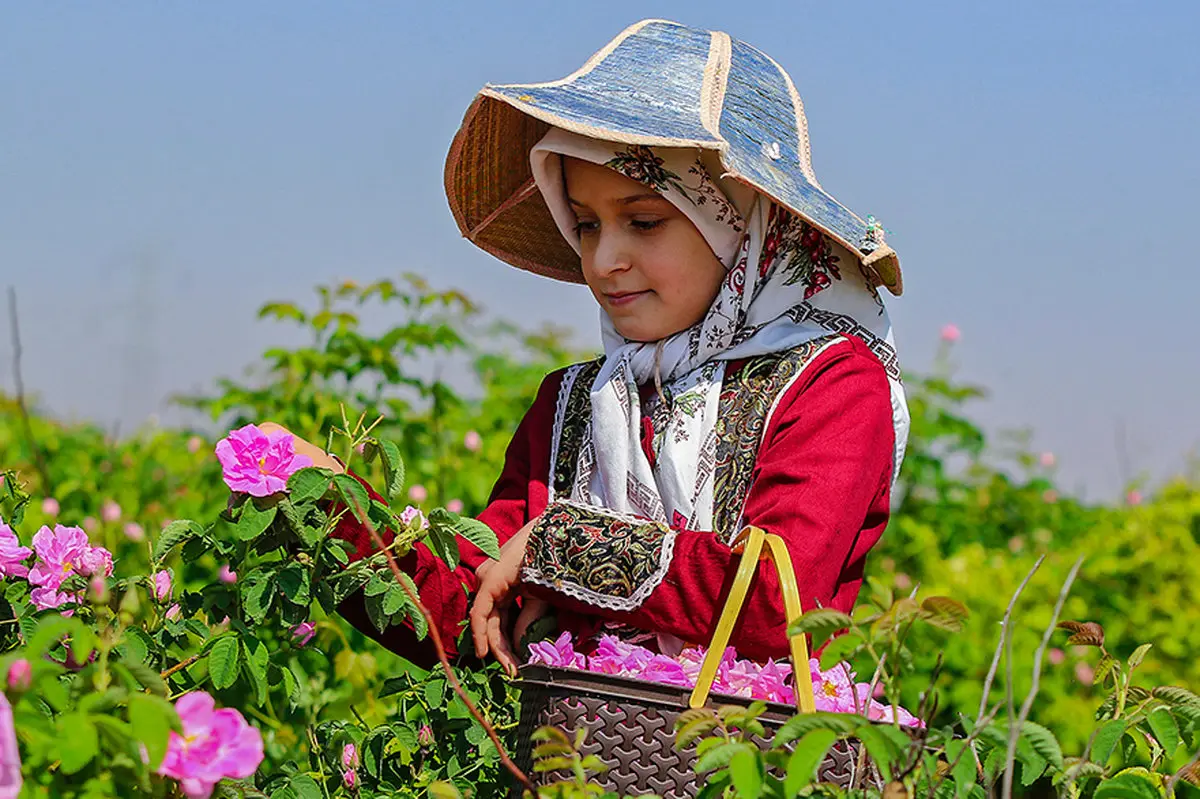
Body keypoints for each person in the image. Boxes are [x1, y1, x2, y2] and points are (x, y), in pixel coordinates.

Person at [265, 18, 909, 678]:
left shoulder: (832, 385)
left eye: (643, 221)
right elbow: (469, 613)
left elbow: (776, 599)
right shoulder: (572, 402)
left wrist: (559, 544)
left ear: (742, 224)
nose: (604, 259)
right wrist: (325, 506)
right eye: (586, 223)